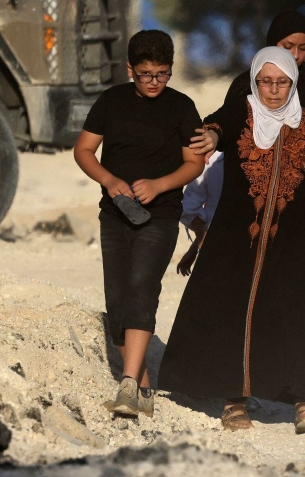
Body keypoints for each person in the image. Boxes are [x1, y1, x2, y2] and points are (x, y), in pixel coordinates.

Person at [157, 47, 305, 433]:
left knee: (293, 311)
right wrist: (213, 135)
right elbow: (219, 124)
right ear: (254, 82)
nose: (274, 90)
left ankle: (302, 401)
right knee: (235, 309)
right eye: (266, 82)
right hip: (238, 234)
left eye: (282, 82)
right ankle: (234, 402)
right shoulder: (243, 110)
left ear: (293, 82)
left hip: (291, 235)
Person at [73, 30, 205, 418]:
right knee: (117, 303)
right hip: (114, 214)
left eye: (162, 74)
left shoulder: (182, 107)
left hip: (161, 215)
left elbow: (194, 163)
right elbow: (83, 150)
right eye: (145, 74)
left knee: (142, 289)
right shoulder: (111, 101)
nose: (153, 83)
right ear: (130, 69)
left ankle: (128, 387)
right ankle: (143, 388)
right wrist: (110, 181)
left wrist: (159, 185)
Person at [207, 11, 305, 160]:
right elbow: (226, 121)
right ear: (273, 42)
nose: (295, 55)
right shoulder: (247, 83)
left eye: (303, 48)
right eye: (288, 47)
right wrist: (214, 134)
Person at [175, 151, 223, 277]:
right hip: (215, 248)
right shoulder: (211, 161)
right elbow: (189, 206)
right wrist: (200, 241)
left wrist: (198, 243)